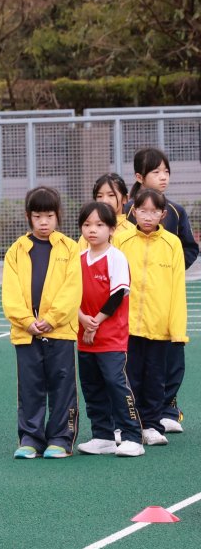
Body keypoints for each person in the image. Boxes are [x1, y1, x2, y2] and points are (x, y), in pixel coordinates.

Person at [2, 186, 82, 459]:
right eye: (37, 217)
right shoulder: (16, 250)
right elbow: (10, 293)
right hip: (27, 333)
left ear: (58, 215)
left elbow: (73, 289)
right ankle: (31, 439)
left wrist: (52, 319)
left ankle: (61, 438)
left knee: (62, 385)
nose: (44, 222)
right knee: (30, 386)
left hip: (60, 331)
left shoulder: (70, 248)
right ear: (29, 217)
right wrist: (26, 321)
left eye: (49, 216)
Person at [116, 187, 188, 445]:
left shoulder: (172, 244)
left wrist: (177, 330)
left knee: (156, 379)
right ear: (133, 212)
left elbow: (178, 288)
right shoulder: (121, 241)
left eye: (154, 211)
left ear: (163, 214)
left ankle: (152, 425)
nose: (148, 216)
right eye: (143, 211)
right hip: (127, 326)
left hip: (159, 327)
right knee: (129, 378)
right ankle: (126, 425)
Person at [131, 149, 196, 433]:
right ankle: (132, 414)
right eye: (156, 172)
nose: (163, 177)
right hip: (134, 304)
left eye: (166, 171)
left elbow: (189, 248)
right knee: (136, 362)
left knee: (170, 356)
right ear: (139, 177)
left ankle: (168, 409)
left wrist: (167, 272)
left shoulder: (176, 211)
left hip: (163, 298)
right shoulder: (127, 212)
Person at [73, 201, 144, 457]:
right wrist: (83, 320)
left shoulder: (116, 257)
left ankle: (133, 436)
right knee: (91, 386)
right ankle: (102, 435)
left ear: (112, 229)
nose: (92, 230)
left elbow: (117, 295)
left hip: (111, 337)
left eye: (100, 225)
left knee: (115, 383)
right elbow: (68, 295)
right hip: (85, 336)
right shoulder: (78, 259)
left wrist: (95, 322)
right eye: (87, 224)